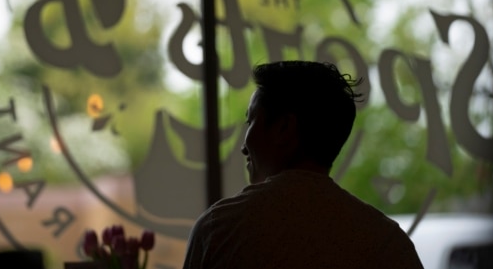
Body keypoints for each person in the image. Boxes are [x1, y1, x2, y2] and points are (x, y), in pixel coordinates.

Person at [182, 61, 424, 269]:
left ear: (285, 128)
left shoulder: (219, 230)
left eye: (251, 121)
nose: (243, 146)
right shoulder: (387, 242)